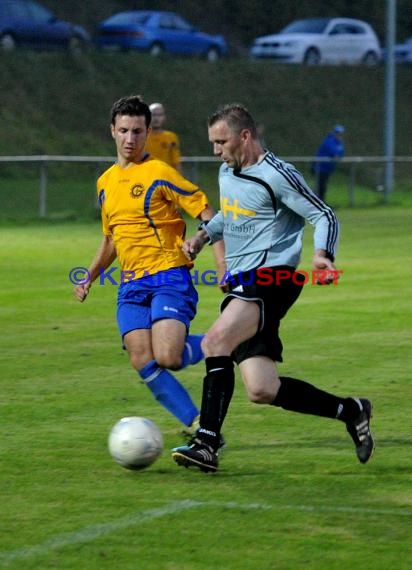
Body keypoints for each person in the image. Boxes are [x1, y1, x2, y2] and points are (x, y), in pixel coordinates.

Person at [171, 103, 374, 473]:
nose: (216, 150)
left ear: (244, 136)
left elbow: (323, 214)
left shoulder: (277, 174)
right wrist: (202, 237)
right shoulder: (227, 172)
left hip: (272, 278)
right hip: (242, 284)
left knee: (214, 342)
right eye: (213, 142)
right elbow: (230, 217)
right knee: (262, 389)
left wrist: (322, 254)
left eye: (221, 141)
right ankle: (351, 410)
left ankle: (207, 443)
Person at [74, 95, 225, 436]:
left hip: (168, 274)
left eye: (137, 132)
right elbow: (112, 239)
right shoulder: (105, 183)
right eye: (124, 131)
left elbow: (207, 212)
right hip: (130, 285)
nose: (130, 139)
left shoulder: (159, 172)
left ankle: (223, 340)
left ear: (147, 133)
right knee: (142, 358)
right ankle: (199, 424)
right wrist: (90, 275)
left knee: (169, 356)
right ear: (112, 131)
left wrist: (208, 249)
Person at [145, 102, 183, 173]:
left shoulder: (171, 137)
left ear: (164, 117)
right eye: (153, 115)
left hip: (165, 178)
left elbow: (176, 162)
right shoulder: (141, 137)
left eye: (159, 115)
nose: (156, 118)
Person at [312, 124, 345, 201]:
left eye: (340, 133)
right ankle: (317, 204)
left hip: (327, 169)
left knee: (322, 187)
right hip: (320, 167)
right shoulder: (329, 141)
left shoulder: (339, 143)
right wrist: (337, 157)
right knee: (320, 187)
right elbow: (335, 154)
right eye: (337, 133)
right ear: (334, 133)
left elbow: (340, 154)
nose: (339, 135)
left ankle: (320, 203)